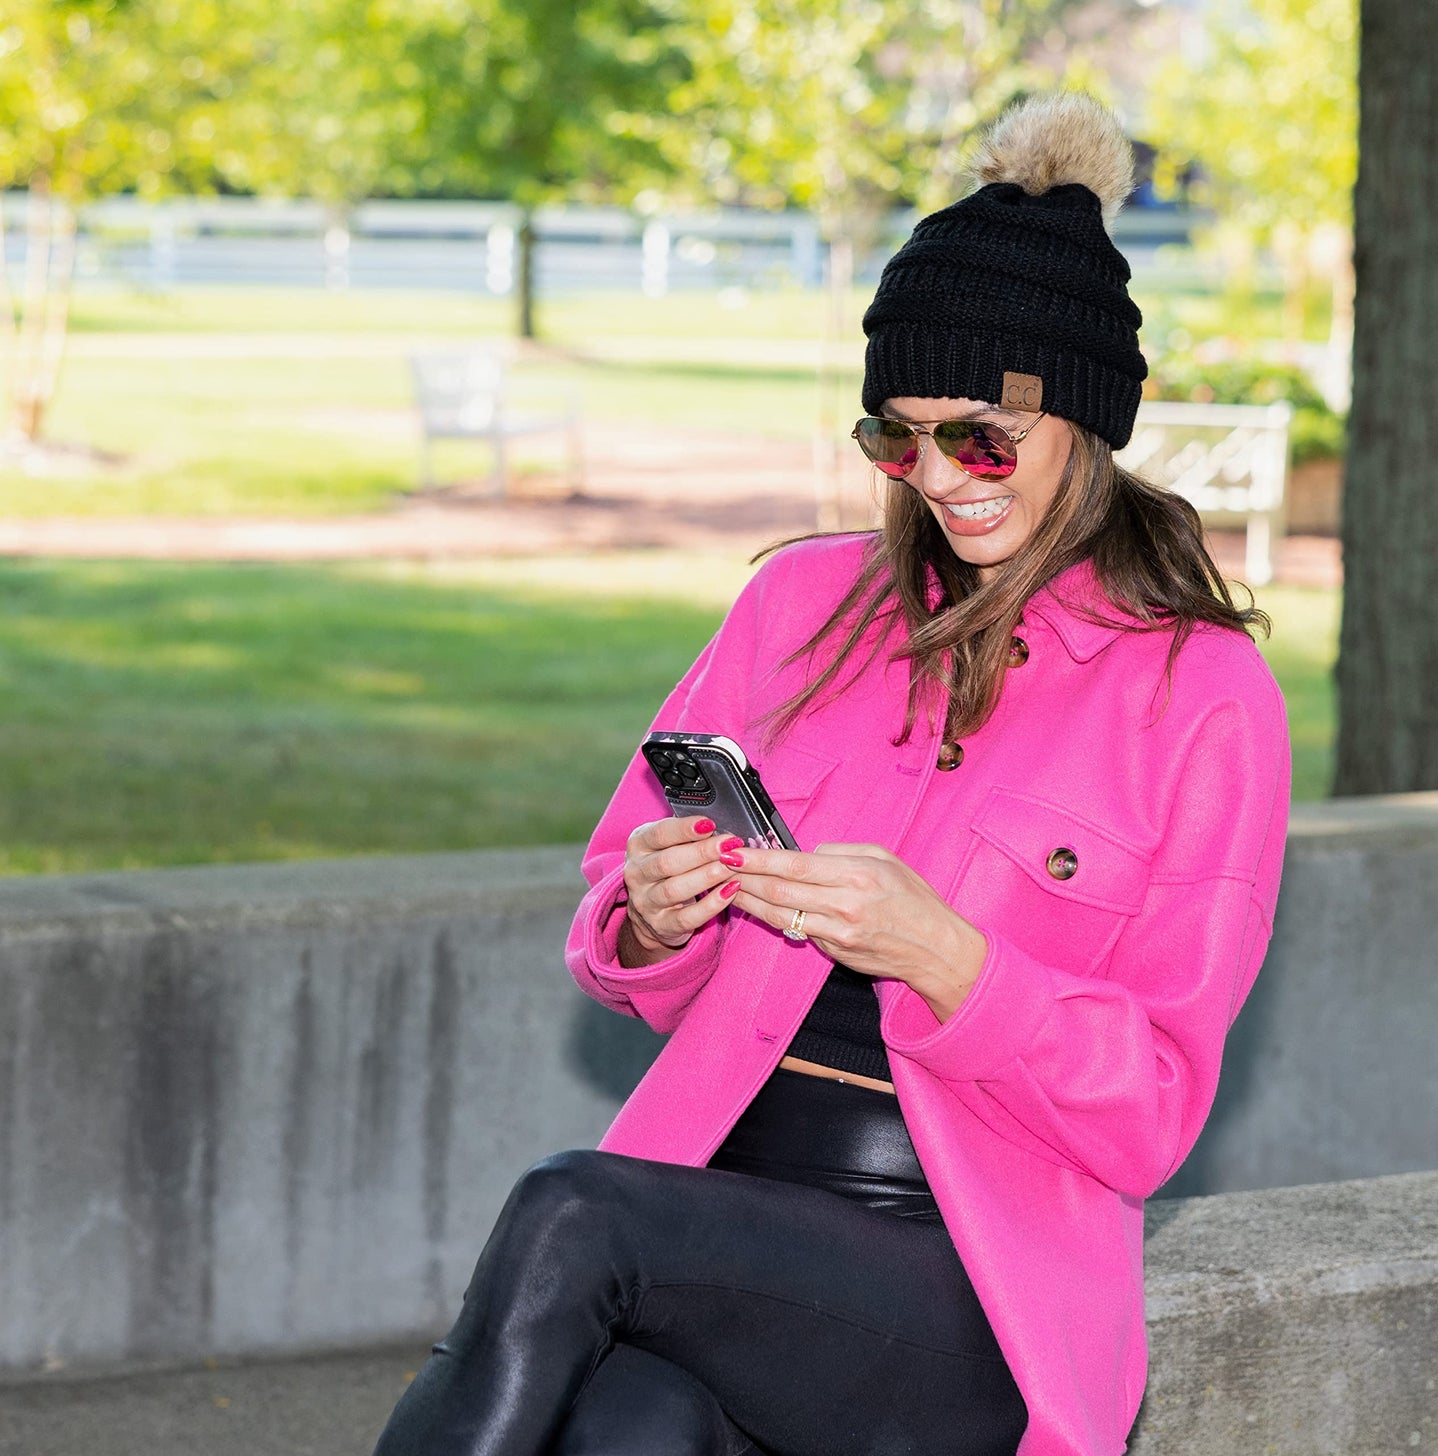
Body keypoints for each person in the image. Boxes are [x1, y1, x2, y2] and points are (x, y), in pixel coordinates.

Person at [370, 90, 1291, 1456]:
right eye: (896, 438)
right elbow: (619, 940)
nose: (940, 477)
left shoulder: (1198, 695)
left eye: (982, 436)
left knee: (576, 1205)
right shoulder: (795, 608)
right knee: (625, 1429)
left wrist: (950, 958)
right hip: (716, 1212)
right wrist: (654, 914)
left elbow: (1150, 1112)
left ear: (1088, 424)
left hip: (961, 1282)